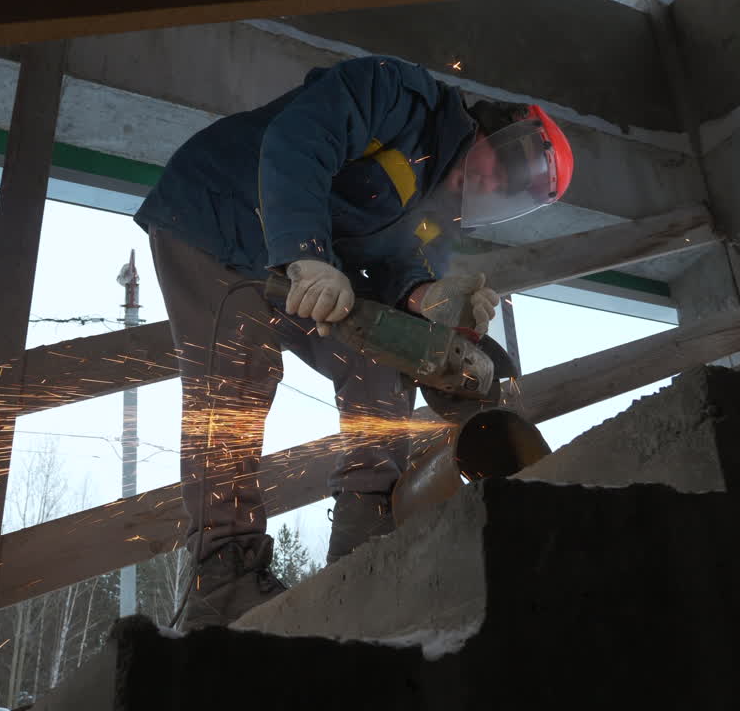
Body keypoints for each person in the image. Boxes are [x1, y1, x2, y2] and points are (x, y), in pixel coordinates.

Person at [133, 55, 574, 629]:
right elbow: (299, 139)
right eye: (502, 167)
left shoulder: (438, 215)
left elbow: (408, 282)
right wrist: (310, 255)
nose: (493, 185)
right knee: (238, 375)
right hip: (215, 217)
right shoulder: (400, 95)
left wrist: (438, 307)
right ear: (489, 128)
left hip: (290, 263)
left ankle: (363, 543)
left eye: (510, 190)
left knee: (384, 365)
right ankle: (223, 572)